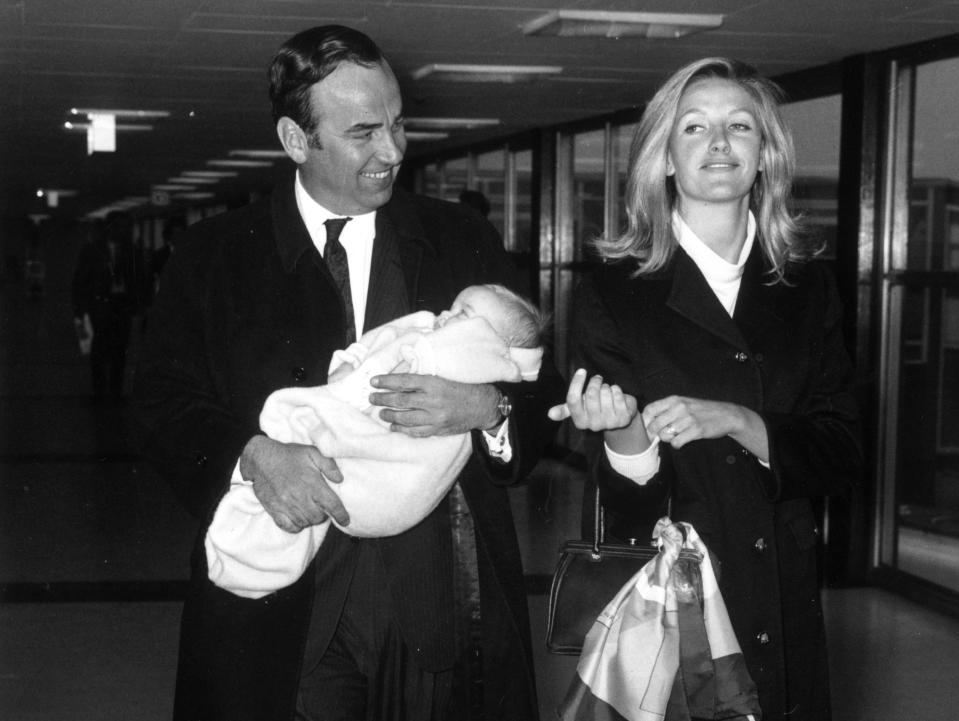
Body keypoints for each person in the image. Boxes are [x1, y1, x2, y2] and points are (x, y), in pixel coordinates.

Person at [134, 25, 561, 721]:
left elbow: (539, 390)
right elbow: (160, 403)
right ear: (296, 141)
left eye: (397, 124)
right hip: (286, 616)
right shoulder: (215, 256)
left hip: (438, 610)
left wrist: (489, 409)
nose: (392, 151)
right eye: (364, 132)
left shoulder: (460, 241)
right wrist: (253, 455)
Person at [550, 57, 862, 720]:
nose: (719, 143)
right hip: (674, 604)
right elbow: (626, 497)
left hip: (781, 595)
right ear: (664, 158)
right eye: (695, 128)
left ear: (765, 155)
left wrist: (738, 420)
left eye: (739, 126)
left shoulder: (808, 289)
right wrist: (619, 431)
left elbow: (842, 448)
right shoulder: (613, 294)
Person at [205, 283, 545, 598]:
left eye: (464, 314)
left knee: (328, 468)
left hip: (408, 506)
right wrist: (350, 363)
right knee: (308, 489)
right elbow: (382, 342)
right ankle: (255, 555)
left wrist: (490, 405)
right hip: (319, 477)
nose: (446, 316)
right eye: (453, 307)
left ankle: (252, 549)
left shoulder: (469, 350)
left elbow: (531, 383)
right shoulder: (427, 327)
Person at [72, 210, 146, 403]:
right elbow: (80, 282)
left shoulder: (132, 252)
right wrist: (81, 309)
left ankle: (115, 391)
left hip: (122, 306)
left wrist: (136, 305)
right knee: (99, 350)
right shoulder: (93, 250)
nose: (124, 231)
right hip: (100, 306)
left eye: (127, 227)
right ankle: (99, 391)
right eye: (120, 227)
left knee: (120, 350)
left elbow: (139, 281)